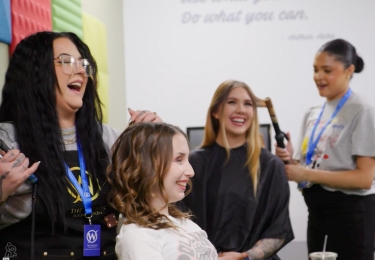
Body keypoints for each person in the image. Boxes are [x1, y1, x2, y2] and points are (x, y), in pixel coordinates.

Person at [0, 31, 161, 259]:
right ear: (36, 72)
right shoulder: (6, 141)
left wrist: (156, 145)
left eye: (83, 63)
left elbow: (152, 204)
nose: (80, 71)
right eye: (66, 61)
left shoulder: (111, 139)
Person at [275, 39, 375, 260]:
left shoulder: (363, 110)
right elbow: (307, 166)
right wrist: (291, 160)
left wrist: (305, 173)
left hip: (351, 215)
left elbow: (365, 178)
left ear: (349, 70)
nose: (318, 76)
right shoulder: (312, 113)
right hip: (318, 213)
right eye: (315, 70)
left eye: (327, 70)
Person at [181, 80, 294, 260]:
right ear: (216, 111)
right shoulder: (192, 164)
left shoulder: (271, 166)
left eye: (248, 104)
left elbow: (278, 230)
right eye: (232, 102)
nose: (241, 109)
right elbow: (178, 221)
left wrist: (246, 256)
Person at [108, 122, 219, 259]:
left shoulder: (187, 224)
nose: (191, 172)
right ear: (146, 166)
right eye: (179, 159)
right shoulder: (137, 236)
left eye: (187, 160)